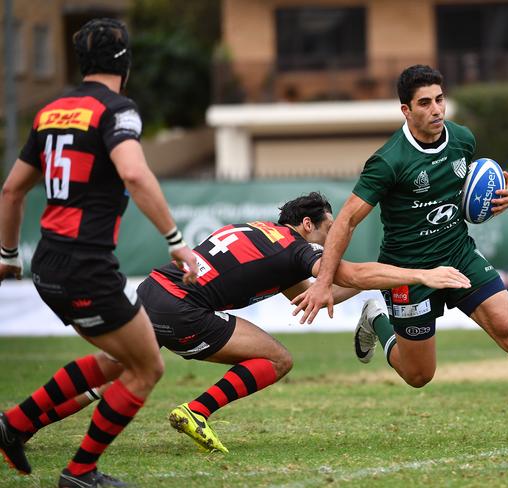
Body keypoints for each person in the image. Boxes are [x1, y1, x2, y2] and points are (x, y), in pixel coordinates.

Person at [292, 65, 508, 444]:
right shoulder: (389, 160)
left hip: (459, 256)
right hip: (409, 272)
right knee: (419, 375)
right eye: (424, 103)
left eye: (439, 99)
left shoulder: (462, 140)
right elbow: (344, 221)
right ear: (406, 110)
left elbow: (479, 188)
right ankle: (377, 317)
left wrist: (507, 195)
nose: (436, 110)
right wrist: (324, 281)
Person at [16, 192, 472, 454]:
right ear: (309, 226)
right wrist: (420, 274)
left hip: (154, 292)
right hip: (183, 307)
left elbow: (321, 291)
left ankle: (17, 425)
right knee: (277, 358)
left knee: (108, 372)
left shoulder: (264, 234)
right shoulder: (296, 249)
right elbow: (345, 272)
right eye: (332, 230)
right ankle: (197, 410)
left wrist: (371, 291)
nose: (337, 238)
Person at [0, 18, 198, 487]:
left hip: (50, 261)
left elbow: (11, 190)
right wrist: (176, 242)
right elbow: (133, 173)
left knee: (120, 359)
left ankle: (15, 424)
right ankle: (80, 472)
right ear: (124, 63)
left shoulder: (50, 110)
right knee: (148, 367)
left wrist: (8, 254)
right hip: (85, 265)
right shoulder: (118, 109)